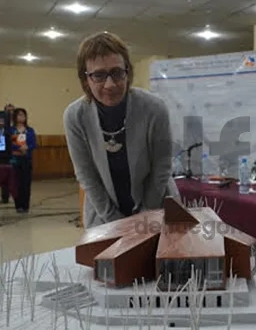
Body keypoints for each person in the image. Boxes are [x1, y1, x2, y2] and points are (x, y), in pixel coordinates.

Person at [63, 31, 179, 229]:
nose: (110, 84)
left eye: (117, 73)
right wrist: (115, 222)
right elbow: (86, 175)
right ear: (86, 79)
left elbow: (162, 166)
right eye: (98, 75)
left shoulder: (154, 108)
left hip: (157, 205)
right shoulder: (75, 116)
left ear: (128, 72)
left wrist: (144, 217)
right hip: (103, 213)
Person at [9, 108, 37, 213]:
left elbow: (34, 144)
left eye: (23, 115)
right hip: (15, 160)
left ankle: (26, 205)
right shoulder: (11, 130)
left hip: (27, 159)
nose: (21, 117)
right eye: (19, 115)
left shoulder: (29, 130)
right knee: (17, 183)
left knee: (26, 183)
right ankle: (18, 205)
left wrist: (27, 148)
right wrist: (18, 148)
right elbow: (9, 144)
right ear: (15, 117)